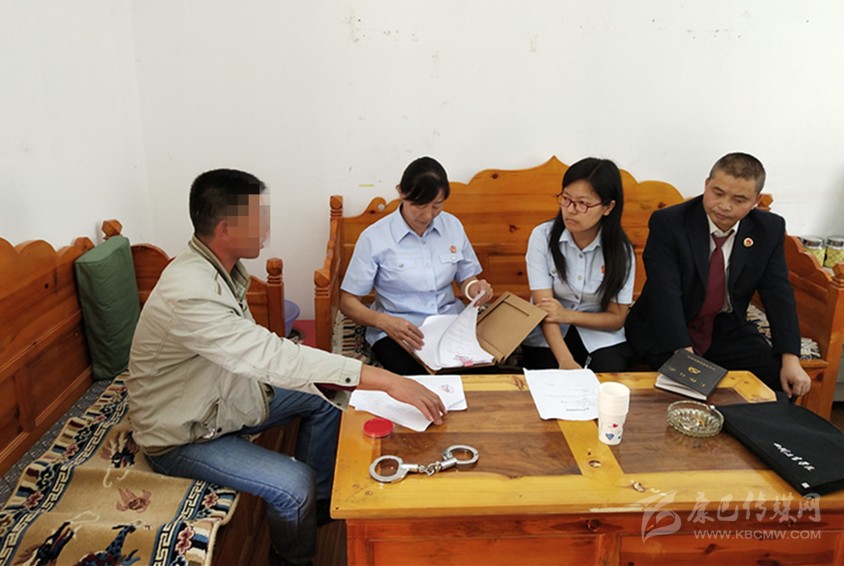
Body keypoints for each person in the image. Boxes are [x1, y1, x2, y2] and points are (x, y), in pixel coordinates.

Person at [126, 169, 445, 566]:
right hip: (183, 432)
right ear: (226, 229)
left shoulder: (218, 268)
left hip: (224, 397)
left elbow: (255, 352)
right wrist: (386, 380)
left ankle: (319, 505)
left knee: (325, 400)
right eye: (259, 218)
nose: (267, 227)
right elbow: (268, 356)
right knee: (293, 485)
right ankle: (292, 556)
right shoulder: (189, 292)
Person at [625, 152, 811, 398]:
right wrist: (683, 352)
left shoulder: (768, 229)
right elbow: (665, 293)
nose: (725, 205)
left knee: (779, 379)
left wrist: (791, 357)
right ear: (706, 185)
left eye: (739, 199)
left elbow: (778, 293)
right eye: (718, 193)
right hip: (668, 328)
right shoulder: (669, 223)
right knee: (687, 390)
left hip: (725, 327)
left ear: (756, 201)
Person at [340, 156, 493, 374]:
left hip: (451, 325)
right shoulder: (374, 238)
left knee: (486, 377)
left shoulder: (452, 226)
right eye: (419, 206)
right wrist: (383, 321)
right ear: (401, 193)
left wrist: (475, 289)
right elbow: (347, 302)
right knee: (418, 382)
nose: (427, 215)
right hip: (400, 331)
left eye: (437, 206)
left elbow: (467, 278)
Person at [521, 157, 636, 372]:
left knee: (609, 376)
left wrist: (567, 315)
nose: (571, 210)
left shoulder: (620, 251)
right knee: (548, 378)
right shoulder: (542, 237)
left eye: (583, 203)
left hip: (599, 334)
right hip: (549, 332)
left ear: (608, 207)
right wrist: (565, 361)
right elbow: (545, 309)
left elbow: (617, 318)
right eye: (566, 199)